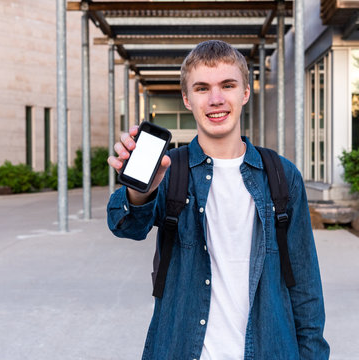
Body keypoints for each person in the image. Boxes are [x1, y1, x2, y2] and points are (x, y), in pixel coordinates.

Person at [107, 40, 329, 360]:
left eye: (227, 85)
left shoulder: (281, 176)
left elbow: (306, 288)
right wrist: (140, 191)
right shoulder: (170, 171)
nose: (215, 99)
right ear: (186, 98)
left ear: (245, 93)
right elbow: (125, 225)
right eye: (201, 88)